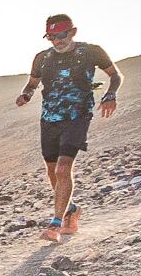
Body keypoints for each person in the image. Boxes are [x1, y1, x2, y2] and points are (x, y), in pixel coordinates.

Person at [15, 14, 121, 241]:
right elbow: (32, 83)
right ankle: (71, 209)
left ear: (72, 32)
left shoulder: (91, 51)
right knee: (53, 171)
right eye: (52, 36)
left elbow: (115, 75)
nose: (57, 41)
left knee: (63, 168)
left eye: (61, 35)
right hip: (49, 119)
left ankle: (55, 224)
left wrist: (110, 94)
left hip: (77, 116)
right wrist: (26, 94)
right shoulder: (42, 58)